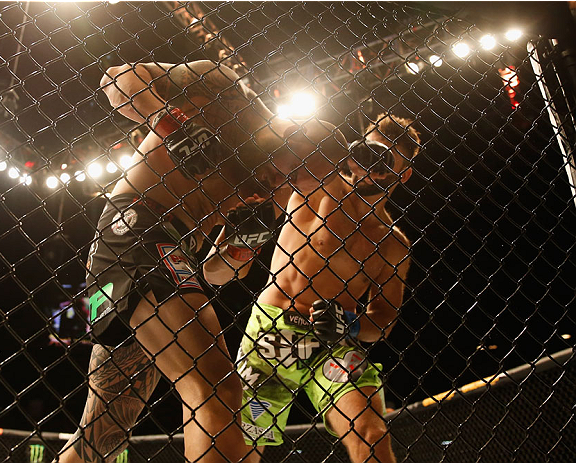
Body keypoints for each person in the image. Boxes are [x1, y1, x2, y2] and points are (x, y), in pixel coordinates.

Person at [56, 60, 348, 462]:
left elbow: (216, 272)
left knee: (104, 432)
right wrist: (162, 116)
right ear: (295, 132)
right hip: (137, 227)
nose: (286, 182)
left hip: (160, 261)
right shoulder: (223, 92)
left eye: (298, 184)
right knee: (217, 387)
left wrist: (239, 248)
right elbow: (116, 77)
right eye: (294, 167)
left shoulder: (273, 192)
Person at [203, 114, 421, 463]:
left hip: (331, 347)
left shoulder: (393, 244)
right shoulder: (319, 183)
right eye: (366, 150)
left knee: (372, 435)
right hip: (270, 342)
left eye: (384, 157)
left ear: (404, 173)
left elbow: (383, 319)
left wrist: (350, 324)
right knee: (242, 451)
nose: (370, 164)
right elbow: (280, 137)